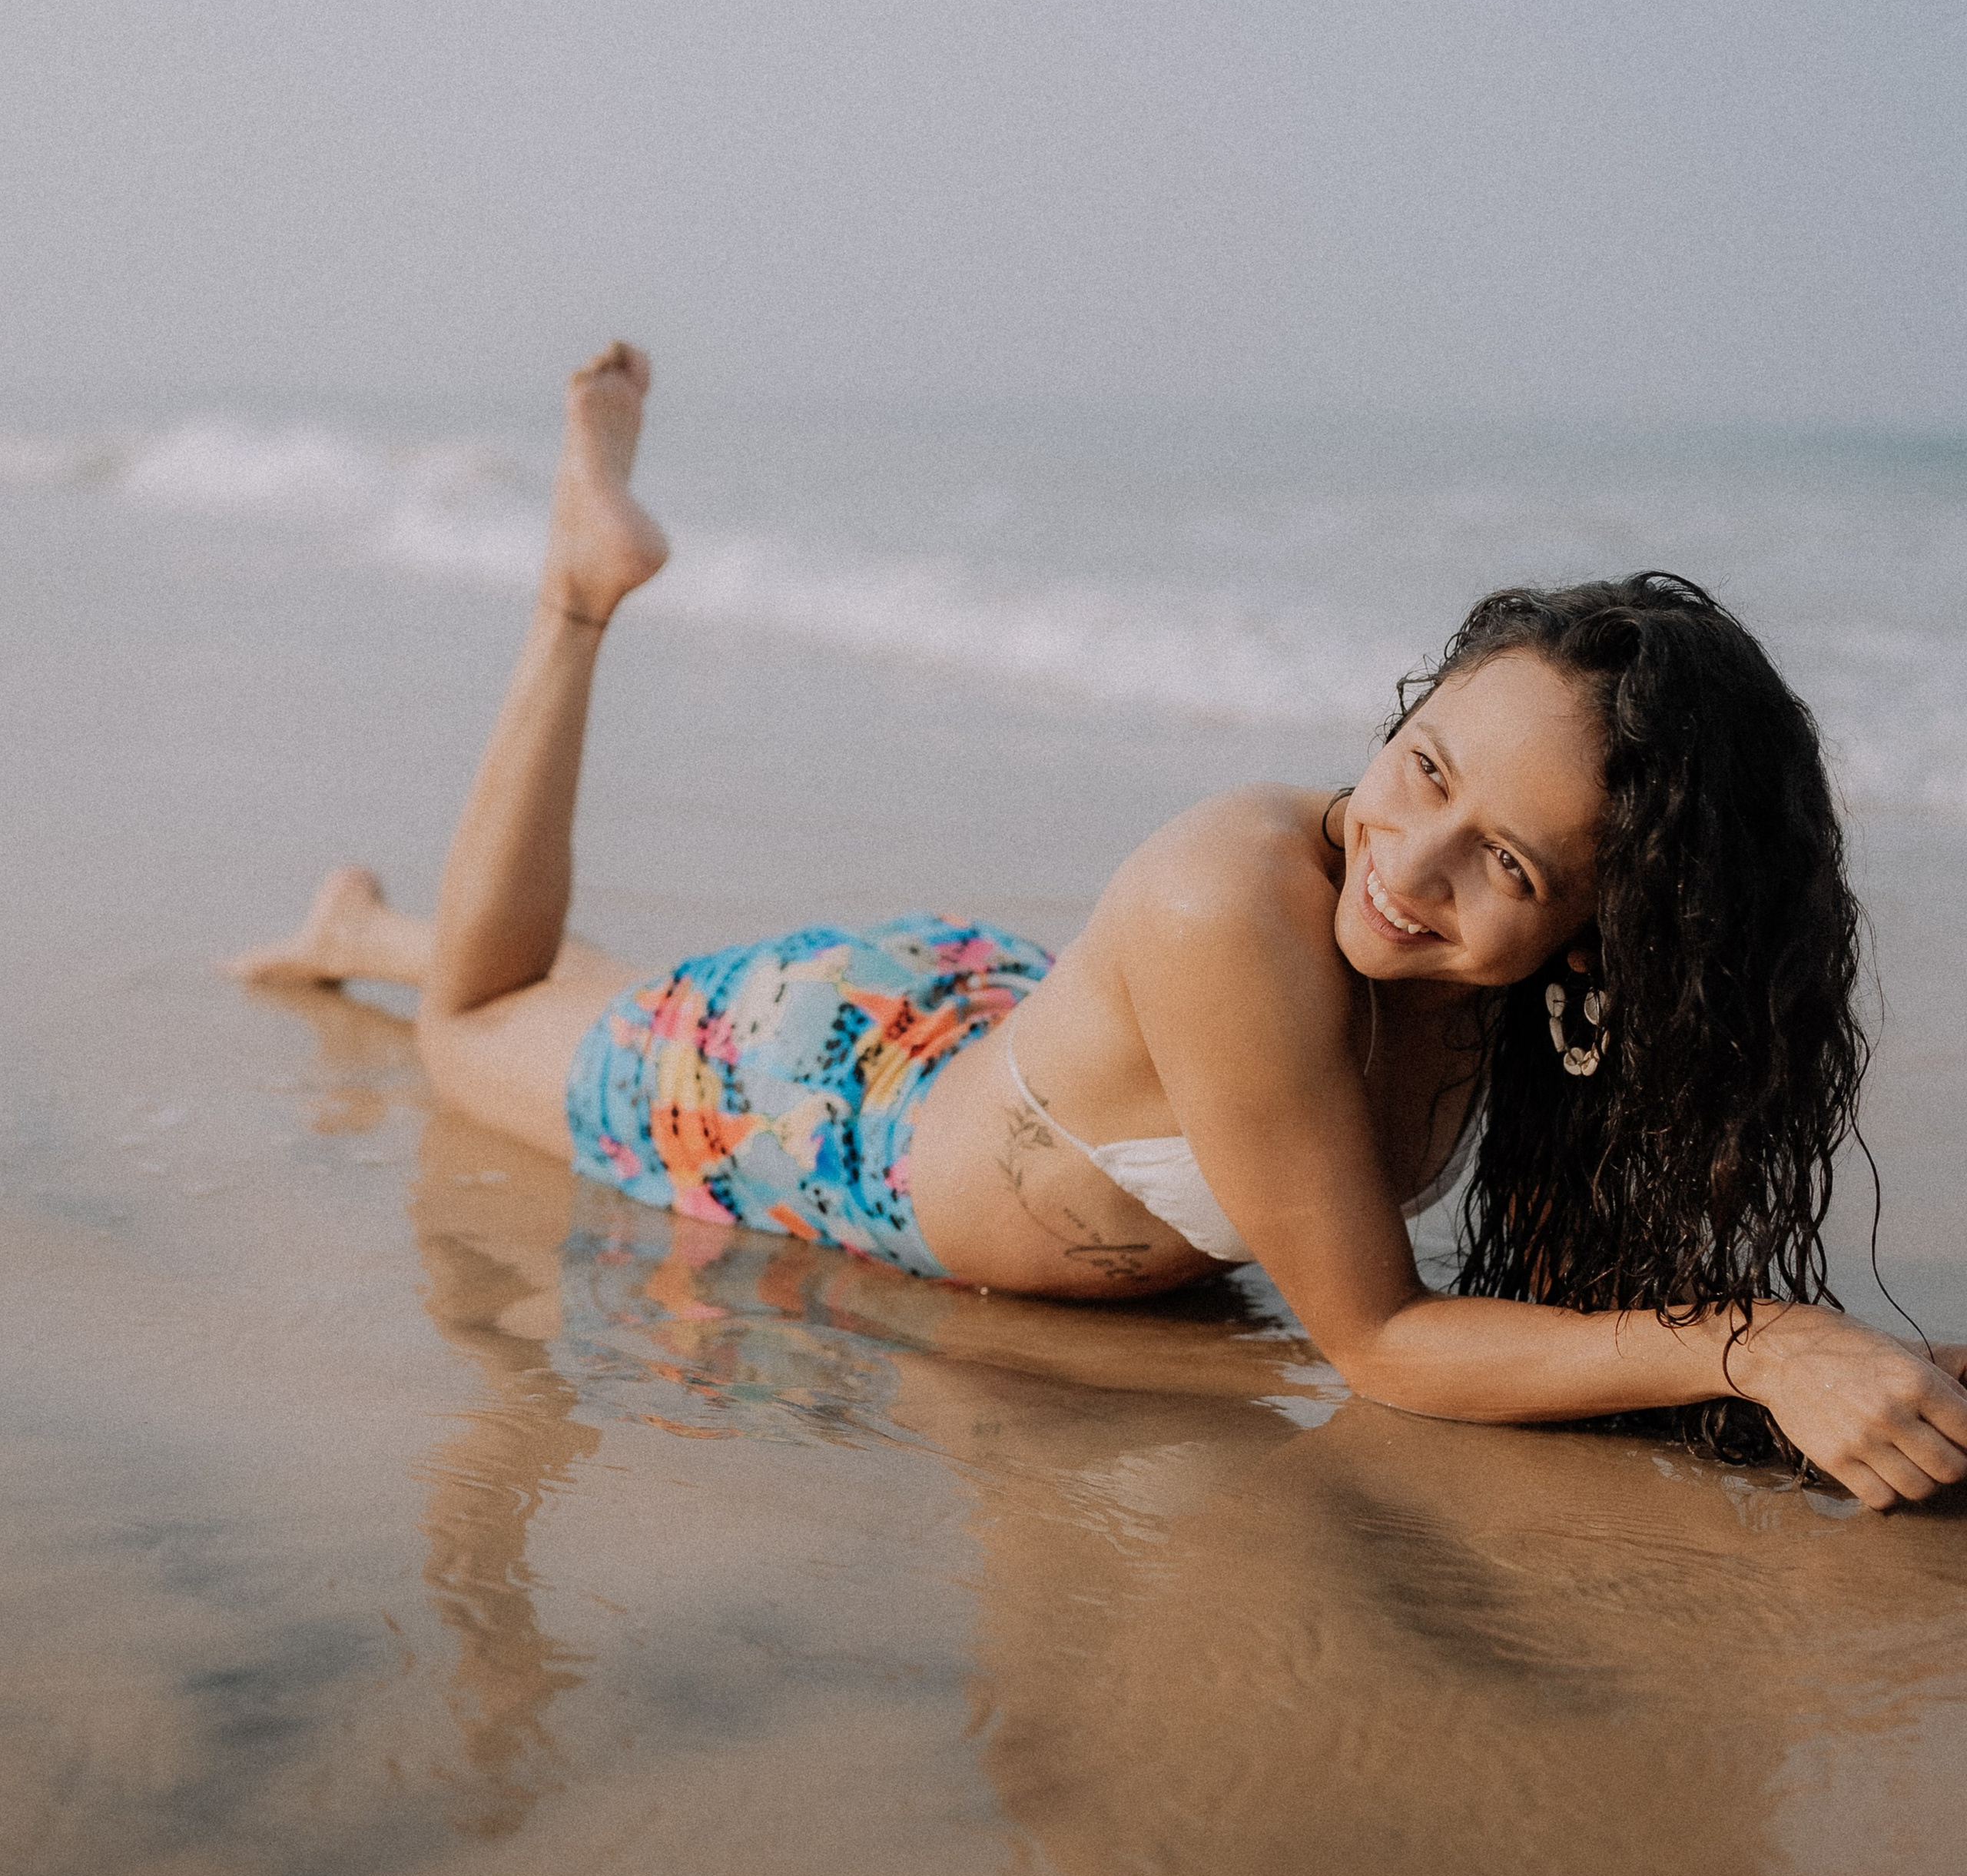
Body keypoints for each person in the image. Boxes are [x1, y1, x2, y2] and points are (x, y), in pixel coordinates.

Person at [235, 343, 1967, 1509]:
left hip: (1003, 1033)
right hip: (822, 1105)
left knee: (572, 999)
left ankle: (361, 925)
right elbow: (1375, 1346)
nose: (1406, 864)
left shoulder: (1495, 974)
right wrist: (1757, 1343)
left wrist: (1847, 1365)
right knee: (478, 1027)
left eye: (1504, 865)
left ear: (1608, 932)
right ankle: (572, 592)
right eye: (1419, 763)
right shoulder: (1239, 897)